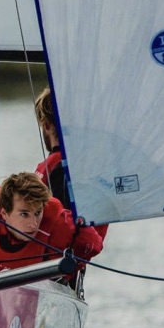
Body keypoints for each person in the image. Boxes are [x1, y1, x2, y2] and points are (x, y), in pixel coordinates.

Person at [34, 87, 109, 240]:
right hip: (82, 248)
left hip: (60, 256)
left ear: (47, 126)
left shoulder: (59, 166)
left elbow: (63, 224)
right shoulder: (90, 164)